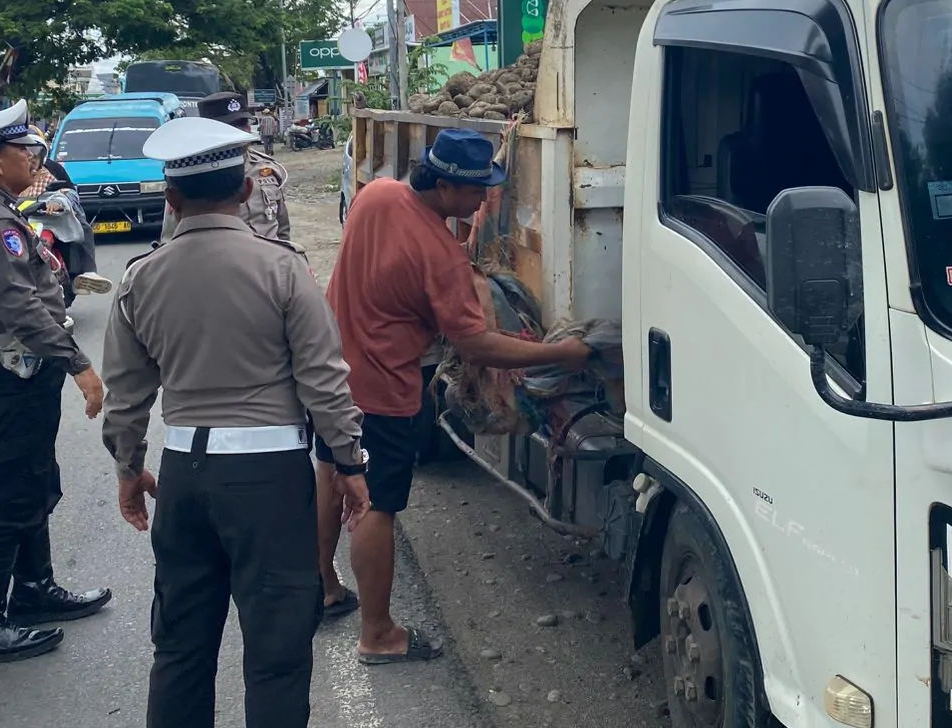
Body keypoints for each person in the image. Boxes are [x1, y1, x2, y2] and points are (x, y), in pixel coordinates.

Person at [101, 116, 370, 728]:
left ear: (170, 199)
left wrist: (127, 468)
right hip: (269, 480)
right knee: (277, 653)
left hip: (183, 475)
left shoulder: (141, 276)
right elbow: (324, 380)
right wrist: (349, 463)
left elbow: (126, 394)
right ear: (247, 190)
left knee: (180, 648)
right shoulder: (282, 268)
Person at [326, 128, 592, 663]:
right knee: (376, 503)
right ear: (444, 187)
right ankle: (378, 635)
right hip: (382, 388)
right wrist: (560, 353)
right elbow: (477, 345)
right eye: (475, 191)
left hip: (329, 375)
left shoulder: (376, 195)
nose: (483, 199)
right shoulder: (440, 255)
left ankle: (323, 587)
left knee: (331, 472)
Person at [0, 100, 111, 665]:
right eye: (24, 150)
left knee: (32, 480)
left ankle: (34, 590)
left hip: (9, 373)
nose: (34, 159)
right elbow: (19, 307)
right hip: (5, 375)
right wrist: (78, 364)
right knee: (9, 495)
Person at [160, 93, 292, 244]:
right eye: (230, 126)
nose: (240, 131)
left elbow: (282, 229)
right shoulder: (193, 174)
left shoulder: (267, 168)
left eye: (243, 123)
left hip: (269, 257)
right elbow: (170, 239)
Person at [18, 129, 112, 296]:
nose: (31, 156)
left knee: (81, 226)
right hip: (22, 218)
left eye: (35, 150)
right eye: (25, 150)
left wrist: (59, 201)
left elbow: (69, 190)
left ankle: (85, 273)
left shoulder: (52, 169)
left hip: (53, 218)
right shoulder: (12, 172)